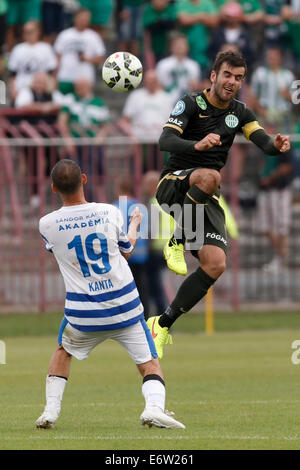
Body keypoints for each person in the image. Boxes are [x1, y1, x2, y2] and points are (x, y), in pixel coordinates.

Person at [146, 50, 291, 359]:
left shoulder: (240, 112)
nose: (233, 82)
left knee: (216, 264)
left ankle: (162, 323)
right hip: (173, 183)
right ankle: (178, 239)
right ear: (213, 76)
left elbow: (262, 139)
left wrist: (275, 146)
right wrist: (196, 144)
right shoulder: (190, 103)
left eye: (239, 78)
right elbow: (165, 141)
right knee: (211, 176)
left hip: (204, 194)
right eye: (227, 75)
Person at [36, 159, 185, 430]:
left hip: (83, 313)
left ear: (54, 187)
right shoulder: (109, 212)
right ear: (84, 179)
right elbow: (126, 251)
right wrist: (135, 223)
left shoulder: (46, 224)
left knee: (62, 351)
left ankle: (50, 412)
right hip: (124, 306)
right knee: (149, 362)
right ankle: (153, 408)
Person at [114, 178, 151, 320]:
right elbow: (146, 231)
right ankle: (145, 319)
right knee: (142, 290)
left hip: (122, 255)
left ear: (119, 189)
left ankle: (124, 319)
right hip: (141, 255)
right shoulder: (140, 207)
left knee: (122, 291)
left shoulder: (114, 207)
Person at [54, 8, 106, 95]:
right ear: (75, 18)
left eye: (86, 18)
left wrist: (87, 59)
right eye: (82, 18)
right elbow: (58, 57)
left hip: (85, 79)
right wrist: (55, 76)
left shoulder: (94, 36)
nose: (84, 21)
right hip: (65, 77)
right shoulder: (64, 35)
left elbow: (100, 58)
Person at [8, 20, 58, 102]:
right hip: (22, 89)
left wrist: (51, 88)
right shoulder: (18, 49)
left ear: (38, 32)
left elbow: (52, 72)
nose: (28, 34)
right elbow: (12, 74)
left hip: (42, 90)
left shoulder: (46, 48)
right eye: (26, 31)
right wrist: (13, 91)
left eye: (31, 31)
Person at [156, 33, 202, 105]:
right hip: (166, 102)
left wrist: (195, 86)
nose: (180, 46)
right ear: (171, 47)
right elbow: (158, 86)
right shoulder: (162, 64)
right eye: (177, 44)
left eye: (183, 44)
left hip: (187, 103)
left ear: (188, 47)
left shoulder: (194, 65)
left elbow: (196, 89)